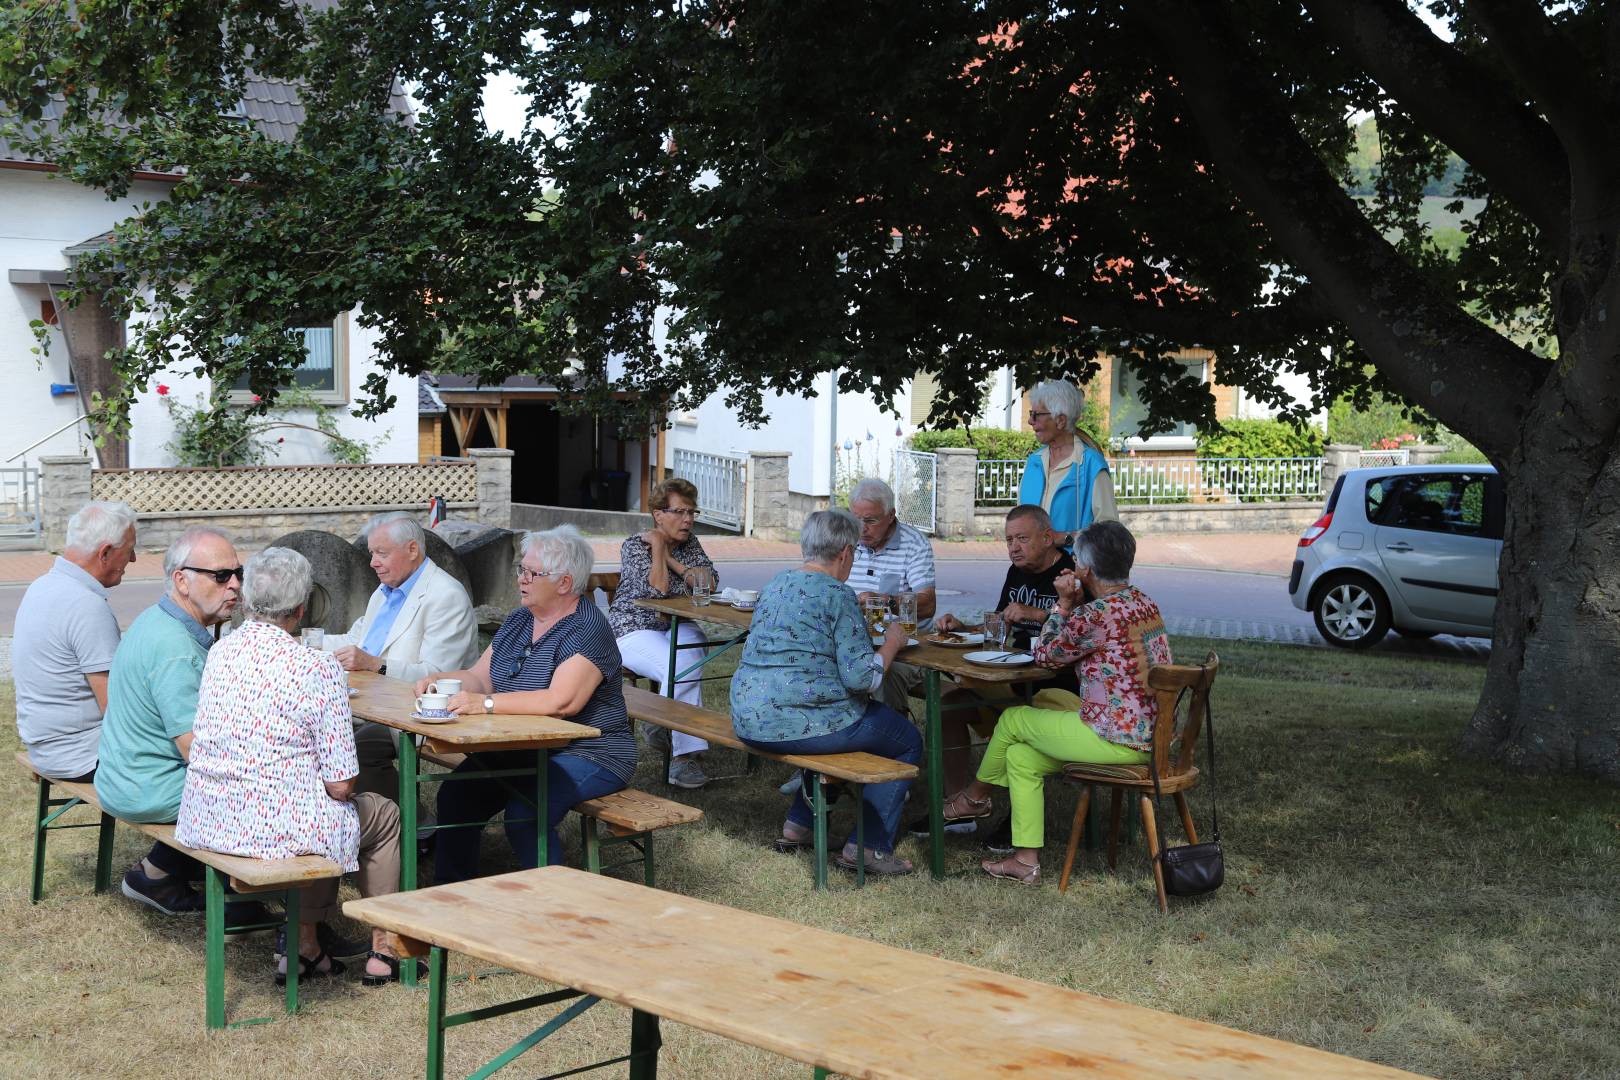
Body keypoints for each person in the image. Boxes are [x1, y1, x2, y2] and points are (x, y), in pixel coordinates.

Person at [176, 548, 411, 985]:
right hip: (271, 828)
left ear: (246, 601)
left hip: (210, 818)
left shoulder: (221, 652)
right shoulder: (316, 667)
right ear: (302, 609)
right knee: (378, 813)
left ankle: (304, 946)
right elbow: (341, 783)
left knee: (319, 812)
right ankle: (385, 943)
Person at [939, 521, 1171, 885]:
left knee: (1015, 720)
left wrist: (1062, 604)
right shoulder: (1142, 602)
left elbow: (1046, 656)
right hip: (1150, 736)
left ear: (1087, 570)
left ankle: (974, 797)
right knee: (1021, 756)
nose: (1071, 567)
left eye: (1075, 561)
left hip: (1116, 739)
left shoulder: (1095, 614)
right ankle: (1025, 860)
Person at [419, 525, 634, 882]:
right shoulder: (521, 619)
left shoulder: (588, 628)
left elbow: (560, 703)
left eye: (533, 573)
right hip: (522, 747)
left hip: (589, 752)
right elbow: (481, 677)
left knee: (525, 813)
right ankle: (453, 897)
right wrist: (441, 682)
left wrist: (484, 705)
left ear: (565, 583)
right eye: (522, 569)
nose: (522, 578)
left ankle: (551, 906)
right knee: (456, 794)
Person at [730, 509, 923, 876]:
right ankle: (866, 848)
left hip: (749, 715)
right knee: (905, 740)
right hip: (798, 722)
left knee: (820, 718)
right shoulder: (838, 594)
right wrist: (893, 644)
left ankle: (799, 826)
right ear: (846, 553)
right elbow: (860, 679)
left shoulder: (776, 584)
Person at [94, 526, 265, 926]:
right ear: (181, 580)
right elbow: (196, 751)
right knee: (263, 786)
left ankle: (157, 874)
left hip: (124, 775)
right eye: (221, 576)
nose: (235, 585)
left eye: (238, 573)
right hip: (146, 787)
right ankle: (244, 908)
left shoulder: (156, 619)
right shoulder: (176, 650)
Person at [926, 504, 1077, 811]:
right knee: (949, 706)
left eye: (1021, 538)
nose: (1014, 548)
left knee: (1010, 718)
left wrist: (1035, 614)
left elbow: (1081, 631)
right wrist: (964, 628)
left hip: (1058, 686)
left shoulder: (1070, 575)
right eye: (1009, 541)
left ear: (1048, 538)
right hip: (1013, 677)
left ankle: (1003, 812)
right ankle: (957, 806)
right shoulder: (1016, 572)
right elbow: (999, 623)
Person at [323, 512, 479, 799]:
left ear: (412, 550)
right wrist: (299, 642)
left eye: (381, 553)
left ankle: (412, 828)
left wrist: (376, 664)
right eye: (371, 553)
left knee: (352, 750)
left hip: (419, 713)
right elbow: (356, 641)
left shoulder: (446, 596)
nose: (372, 563)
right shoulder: (385, 591)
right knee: (317, 735)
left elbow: (437, 676)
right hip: (375, 706)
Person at [608, 477, 719, 789]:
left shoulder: (690, 544)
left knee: (691, 654)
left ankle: (663, 722)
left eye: (692, 512)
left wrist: (674, 560)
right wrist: (658, 547)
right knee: (681, 666)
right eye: (680, 512)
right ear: (658, 514)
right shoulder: (635, 546)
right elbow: (656, 590)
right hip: (632, 629)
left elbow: (709, 584)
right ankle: (683, 759)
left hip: (676, 624)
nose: (688, 520)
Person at [14, 501, 137, 783]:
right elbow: (116, 708)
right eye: (129, 550)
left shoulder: (42, 585)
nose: (133, 560)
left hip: (45, 748)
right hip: (83, 756)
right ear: (105, 552)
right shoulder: (86, 605)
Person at [847, 477, 936, 717]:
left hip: (905, 647)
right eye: (856, 519)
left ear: (891, 515)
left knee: (885, 671)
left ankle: (895, 743)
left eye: (871, 520)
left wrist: (887, 601)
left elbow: (928, 604)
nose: (862, 528)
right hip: (854, 640)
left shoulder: (913, 544)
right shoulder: (847, 539)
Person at [1017, 379, 1116, 543]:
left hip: (1073, 567)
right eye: (1030, 414)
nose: (1030, 421)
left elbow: (1109, 532)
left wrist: (1066, 538)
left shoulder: (1091, 465)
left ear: (1060, 420)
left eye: (1037, 415)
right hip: (1030, 567)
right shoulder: (1034, 462)